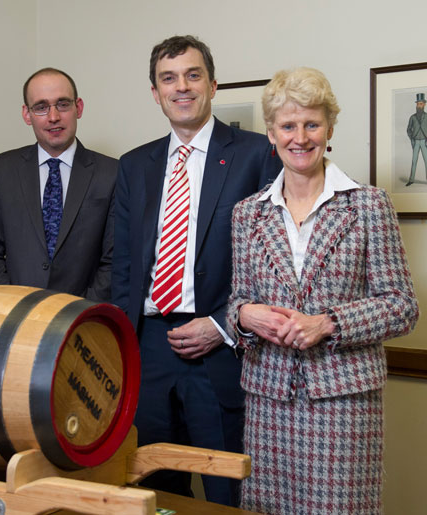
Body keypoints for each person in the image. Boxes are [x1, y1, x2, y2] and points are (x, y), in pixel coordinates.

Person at [227, 67, 419, 514]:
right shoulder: (247, 214)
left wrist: (328, 324)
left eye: (312, 124)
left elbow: (402, 307)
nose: (300, 137)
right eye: (288, 126)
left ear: (329, 129)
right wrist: (245, 316)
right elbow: (238, 299)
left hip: (343, 404)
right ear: (271, 134)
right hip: (268, 402)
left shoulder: (368, 204)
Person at [111, 35, 280, 506]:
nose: (181, 87)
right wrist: (124, 348)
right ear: (155, 92)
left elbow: (272, 268)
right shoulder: (134, 166)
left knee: (226, 490)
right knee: (153, 488)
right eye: (168, 78)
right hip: (147, 352)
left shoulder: (257, 155)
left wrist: (221, 326)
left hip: (219, 351)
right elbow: (123, 267)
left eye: (192, 75)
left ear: (212, 83)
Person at [0, 68, 117, 301]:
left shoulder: (112, 173)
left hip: (84, 320)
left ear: (78, 107)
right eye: (41, 107)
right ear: (26, 114)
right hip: (14, 316)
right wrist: (11, 304)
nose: (53, 117)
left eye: (62, 104)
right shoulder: (1, 170)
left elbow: (114, 260)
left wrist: (81, 311)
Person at [406, 92, 427, 186]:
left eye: (421, 103)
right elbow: (408, 129)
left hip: (425, 142)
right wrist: (412, 138)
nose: (419, 105)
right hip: (415, 142)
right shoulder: (412, 117)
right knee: (414, 161)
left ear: (424, 104)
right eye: (418, 104)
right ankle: (411, 180)